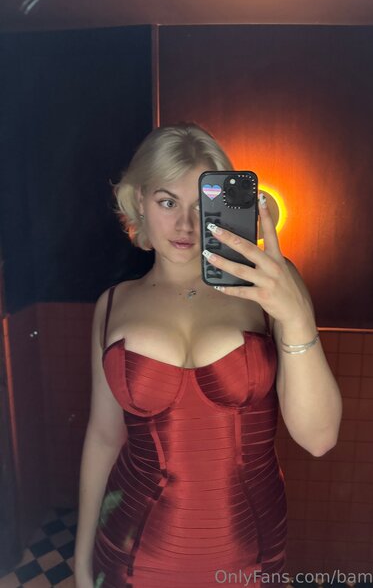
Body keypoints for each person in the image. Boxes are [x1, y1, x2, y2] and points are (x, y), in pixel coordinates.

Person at [74, 123, 342, 588]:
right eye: (167, 202)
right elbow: (102, 437)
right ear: (139, 201)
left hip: (247, 554)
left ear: (226, 209)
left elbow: (319, 438)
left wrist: (297, 317)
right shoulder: (113, 304)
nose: (186, 225)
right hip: (129, 553)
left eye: (202, 207)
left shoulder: (270, 288)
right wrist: (81, 559)